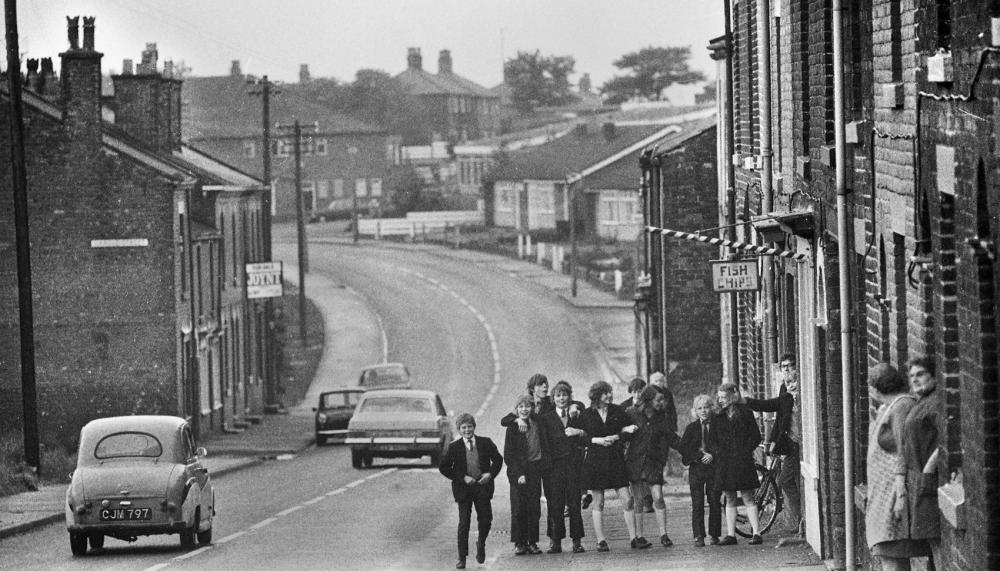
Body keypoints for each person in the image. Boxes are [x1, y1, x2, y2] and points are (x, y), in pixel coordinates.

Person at [864, 363, 924, 571]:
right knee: (887, 555)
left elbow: (903, 449)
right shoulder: (889, 407)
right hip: (882, 496)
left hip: (892, 495)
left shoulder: (901, 406)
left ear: (877, 388)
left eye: (871, 386)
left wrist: (900, 495)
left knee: (892, 554)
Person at [578, 380, 640, 552]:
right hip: (596, 461)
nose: (610, 395)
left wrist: (618, 436)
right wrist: (595, 440)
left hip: (615, 459)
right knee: (598, 502)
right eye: (606, 393)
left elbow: (628, 432)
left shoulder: (617, 411)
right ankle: (601, 540)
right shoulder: (586, 415)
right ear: (597, 395)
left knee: (627, 499)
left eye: (610, 392)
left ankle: (634, 538)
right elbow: (576, 436)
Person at [744, 352, 803, 534]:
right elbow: (779, 415)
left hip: (798, 441)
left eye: (790, 366)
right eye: (783, 367)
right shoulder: (785, 391)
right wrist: (772, 441)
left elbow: (771, 405)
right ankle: (798, 519)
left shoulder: (800, 389)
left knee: (785, 480)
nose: (787, 371)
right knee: (784, 479)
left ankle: (801, 520)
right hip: (789, 440)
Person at [439, 413, 504, 570]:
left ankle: (481, 543)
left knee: (486, 520)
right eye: (463, 428)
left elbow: (498, 459)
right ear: (459, 430)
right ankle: (462, 557)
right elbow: (444, 467)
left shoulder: (485, 443)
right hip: (464, 490)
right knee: (464, 523)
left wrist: (490, 474)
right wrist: (462, 477)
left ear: (474, 427)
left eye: (469, 427)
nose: (467, 430)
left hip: (482, 487)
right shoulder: (454, 447)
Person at [537, 381, 588, 553]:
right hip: (554, 467)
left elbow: (586, 436)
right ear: (553, 398)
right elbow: (544, 443)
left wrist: (579, 432)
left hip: (574, 465)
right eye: (558, 395)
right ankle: (555, 540)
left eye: (564, 395)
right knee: (555, 504)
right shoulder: (546, 418)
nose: (562, 398)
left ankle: (577, 541)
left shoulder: (577, 415)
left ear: (569, 397)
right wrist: (548, 467)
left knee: (574, 503)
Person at [903, 357, 942, 569]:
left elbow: (947, 438)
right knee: (930, 548)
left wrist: (929, 468)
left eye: (921, 374)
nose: (915, 380)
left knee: (937, 545)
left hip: (931, 483)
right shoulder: (921, 403)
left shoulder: (935, 402)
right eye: (912, 376)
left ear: (933, 376)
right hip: (920, 484)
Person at [624, 386, 675, 548]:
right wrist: (624, 429)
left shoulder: (662, 418)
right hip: (635, 462)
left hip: (653, 463)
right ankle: (639, 536)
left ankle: (664, 534)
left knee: (658, 496)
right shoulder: (631, 413)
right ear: (648, 400)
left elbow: (671, 438)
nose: (662, 403)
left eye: (663, 399)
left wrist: (690, 450)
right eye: (658, 400)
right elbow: (616, 426)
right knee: (638, 500)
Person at [714, 382, 763, 545]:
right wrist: (719, 453)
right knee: (729, 497)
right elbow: (712, 440)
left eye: (724, 397)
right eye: (719, 398)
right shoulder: (717, 417)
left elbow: (756, 436)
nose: (720, 401)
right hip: (725, 463)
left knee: (748, 496)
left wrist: (744, 450)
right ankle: (731, 535)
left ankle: (756, 533)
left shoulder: (746, 414)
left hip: (743, 461)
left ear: (733, 396)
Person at [504, 395, 548, 556]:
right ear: (516, 410)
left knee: (534, 508)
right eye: (521, 407)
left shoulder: (538, 421)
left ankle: (532, 542)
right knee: (519, 508)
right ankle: (519, 542)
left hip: (535, 468)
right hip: (519, 472)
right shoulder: (513, 427)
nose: (524, 409)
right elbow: (509, 455)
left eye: (527, 406)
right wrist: (519, 474)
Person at [679, 394, 723, 547]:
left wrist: (713, 455)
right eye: (699, 408)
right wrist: (698, 456)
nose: (703, 411)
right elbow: (684, 448)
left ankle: (715, 534)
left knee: (714, 501)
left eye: (706, 407)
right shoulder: (692, 428)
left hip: (714, 468)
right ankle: (698, 535)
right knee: (697, 503)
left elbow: (724, 444)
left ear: (711, 408)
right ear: (695, 411)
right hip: (697, 469)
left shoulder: (718, 425)